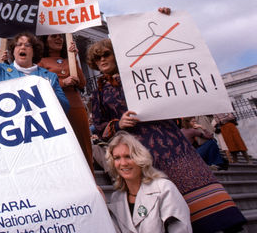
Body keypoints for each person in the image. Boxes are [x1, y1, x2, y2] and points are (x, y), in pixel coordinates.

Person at [87, 38, 246, 232]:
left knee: (200, 192)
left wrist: (164, 18)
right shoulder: (99, 94)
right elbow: (99, 126)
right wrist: (117, 123)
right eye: (97, 59)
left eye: (106, 55)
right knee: (166, 200)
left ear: (116, 55)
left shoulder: (144, 75)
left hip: (172, 144)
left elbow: (160, 52)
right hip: (141, 150)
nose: (102, 60)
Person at [0, 14, 69, 113]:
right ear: (13, 52)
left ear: (34, 52)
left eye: (27, 45)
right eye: (18, 45)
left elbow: (65, 107)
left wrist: (51, 92)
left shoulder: (50, 77)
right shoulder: (2, 71)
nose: (22, 47)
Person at [106, 131, 191, 233]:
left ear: (140, 158)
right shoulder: (116, 198)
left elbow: (181, 230)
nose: (123, 163)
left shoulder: (164, 188)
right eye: (117, 158)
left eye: (128, 156)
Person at [39, 33, 92, 170]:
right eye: (53, 36)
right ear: (45, 41)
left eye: (60, 37)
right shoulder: (41, 62)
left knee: (83, 146)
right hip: (56, 107)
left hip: (76, 106)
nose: (58, 39)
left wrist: (73, 58)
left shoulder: (69, 60)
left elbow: (82, 83)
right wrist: (63, 82)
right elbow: (40, 84)